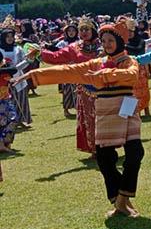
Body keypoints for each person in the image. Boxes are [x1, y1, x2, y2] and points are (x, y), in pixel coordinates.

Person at [16, 20, 144, 217]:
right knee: (104, 158)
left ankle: (122, 199)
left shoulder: (128, 61)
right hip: (105, 112)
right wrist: (35, 73)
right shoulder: (96, 63)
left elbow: (131, 75)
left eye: (111, 40)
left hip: (126, 112)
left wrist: (104, 75)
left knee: (135, 153)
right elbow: (68, 71)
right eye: (104, 40)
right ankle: (119, 200)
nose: (107, 44)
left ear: (119, 42)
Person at [38, 16, 101, 154]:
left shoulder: (103, 45)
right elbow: (56, 57)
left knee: (105, 118)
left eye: (87, 29)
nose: (84, 32)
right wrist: (39, 53)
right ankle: (94, 149)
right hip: (85, 90)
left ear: (93, 30)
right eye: (81, 29)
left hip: (105, 88)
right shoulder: (74, 48)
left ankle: (107, 146)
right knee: (89, 119)